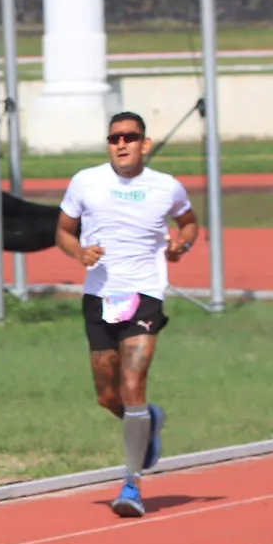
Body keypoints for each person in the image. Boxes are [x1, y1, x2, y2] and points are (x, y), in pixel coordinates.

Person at [56, 111, 199, 518]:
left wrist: (180, 246)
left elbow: (188, 224)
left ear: (145, 144)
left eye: (130, 137)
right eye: (114, 137)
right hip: (100, 295)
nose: (121, 144)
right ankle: (148, 420)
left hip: (144, 293)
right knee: (108, 395)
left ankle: (132, 483)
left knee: (134, 382)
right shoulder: (86, 181)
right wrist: (78, 251)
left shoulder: (165, 187)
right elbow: (63, 230)